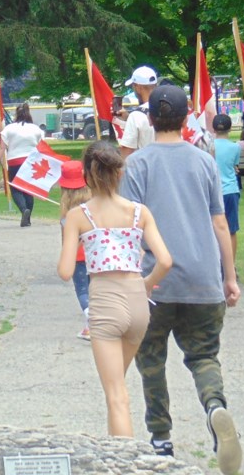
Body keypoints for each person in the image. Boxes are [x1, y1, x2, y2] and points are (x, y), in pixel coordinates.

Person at [120, 84, 243, 475]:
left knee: (151, 361)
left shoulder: (136, 165)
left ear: (151, 118)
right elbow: (220, 222)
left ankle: (161, 439)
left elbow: (129, 228)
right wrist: (230, 277)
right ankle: (215, 406)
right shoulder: (204, 161)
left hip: (153, 282)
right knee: (204, 356)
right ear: (187, 116)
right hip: (202, 279)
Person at [59, 142, 172, 437]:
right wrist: (146, 286)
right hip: (137, 303)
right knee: (117, 386)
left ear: (86, 175)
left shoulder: (78, 216)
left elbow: (65, 271)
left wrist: (72, 236)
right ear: (119, 173)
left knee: (116, 396)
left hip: (105, 302)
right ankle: (114, 456)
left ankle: (125, 463)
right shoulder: (139, 212)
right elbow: (165, 261)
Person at [57, 160, 92, 340]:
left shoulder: (67, 214)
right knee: (96, 289)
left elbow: (66, 242)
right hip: (96, 254)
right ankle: (93, 322)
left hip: (77, 257)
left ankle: (90, 319)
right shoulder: (95, 206)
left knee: (83, 290)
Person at [1, 102, 45, 226]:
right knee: (28, 190)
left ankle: (23, 209)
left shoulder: (9, 128)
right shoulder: (36, 129)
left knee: (15, 189)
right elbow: (42, 147)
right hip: (30, 161)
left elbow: (2, 148)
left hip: (14, 161)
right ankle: (28, 218)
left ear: (16, 114)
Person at [211, 114, 241, 262]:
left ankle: (216, 262)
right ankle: (231, 263)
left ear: (214, 129)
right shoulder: (235, 147)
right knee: (232, 230)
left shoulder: (209, 146)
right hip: (230, 190)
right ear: (230, 129)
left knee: (213, 228)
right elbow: (235, 166)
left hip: (213, 191)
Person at [118, 65, 158, 158]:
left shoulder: (136, 116)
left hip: (146, 169)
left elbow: (126, 152)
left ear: (138, 87)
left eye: (133, 86)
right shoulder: (170, 108)